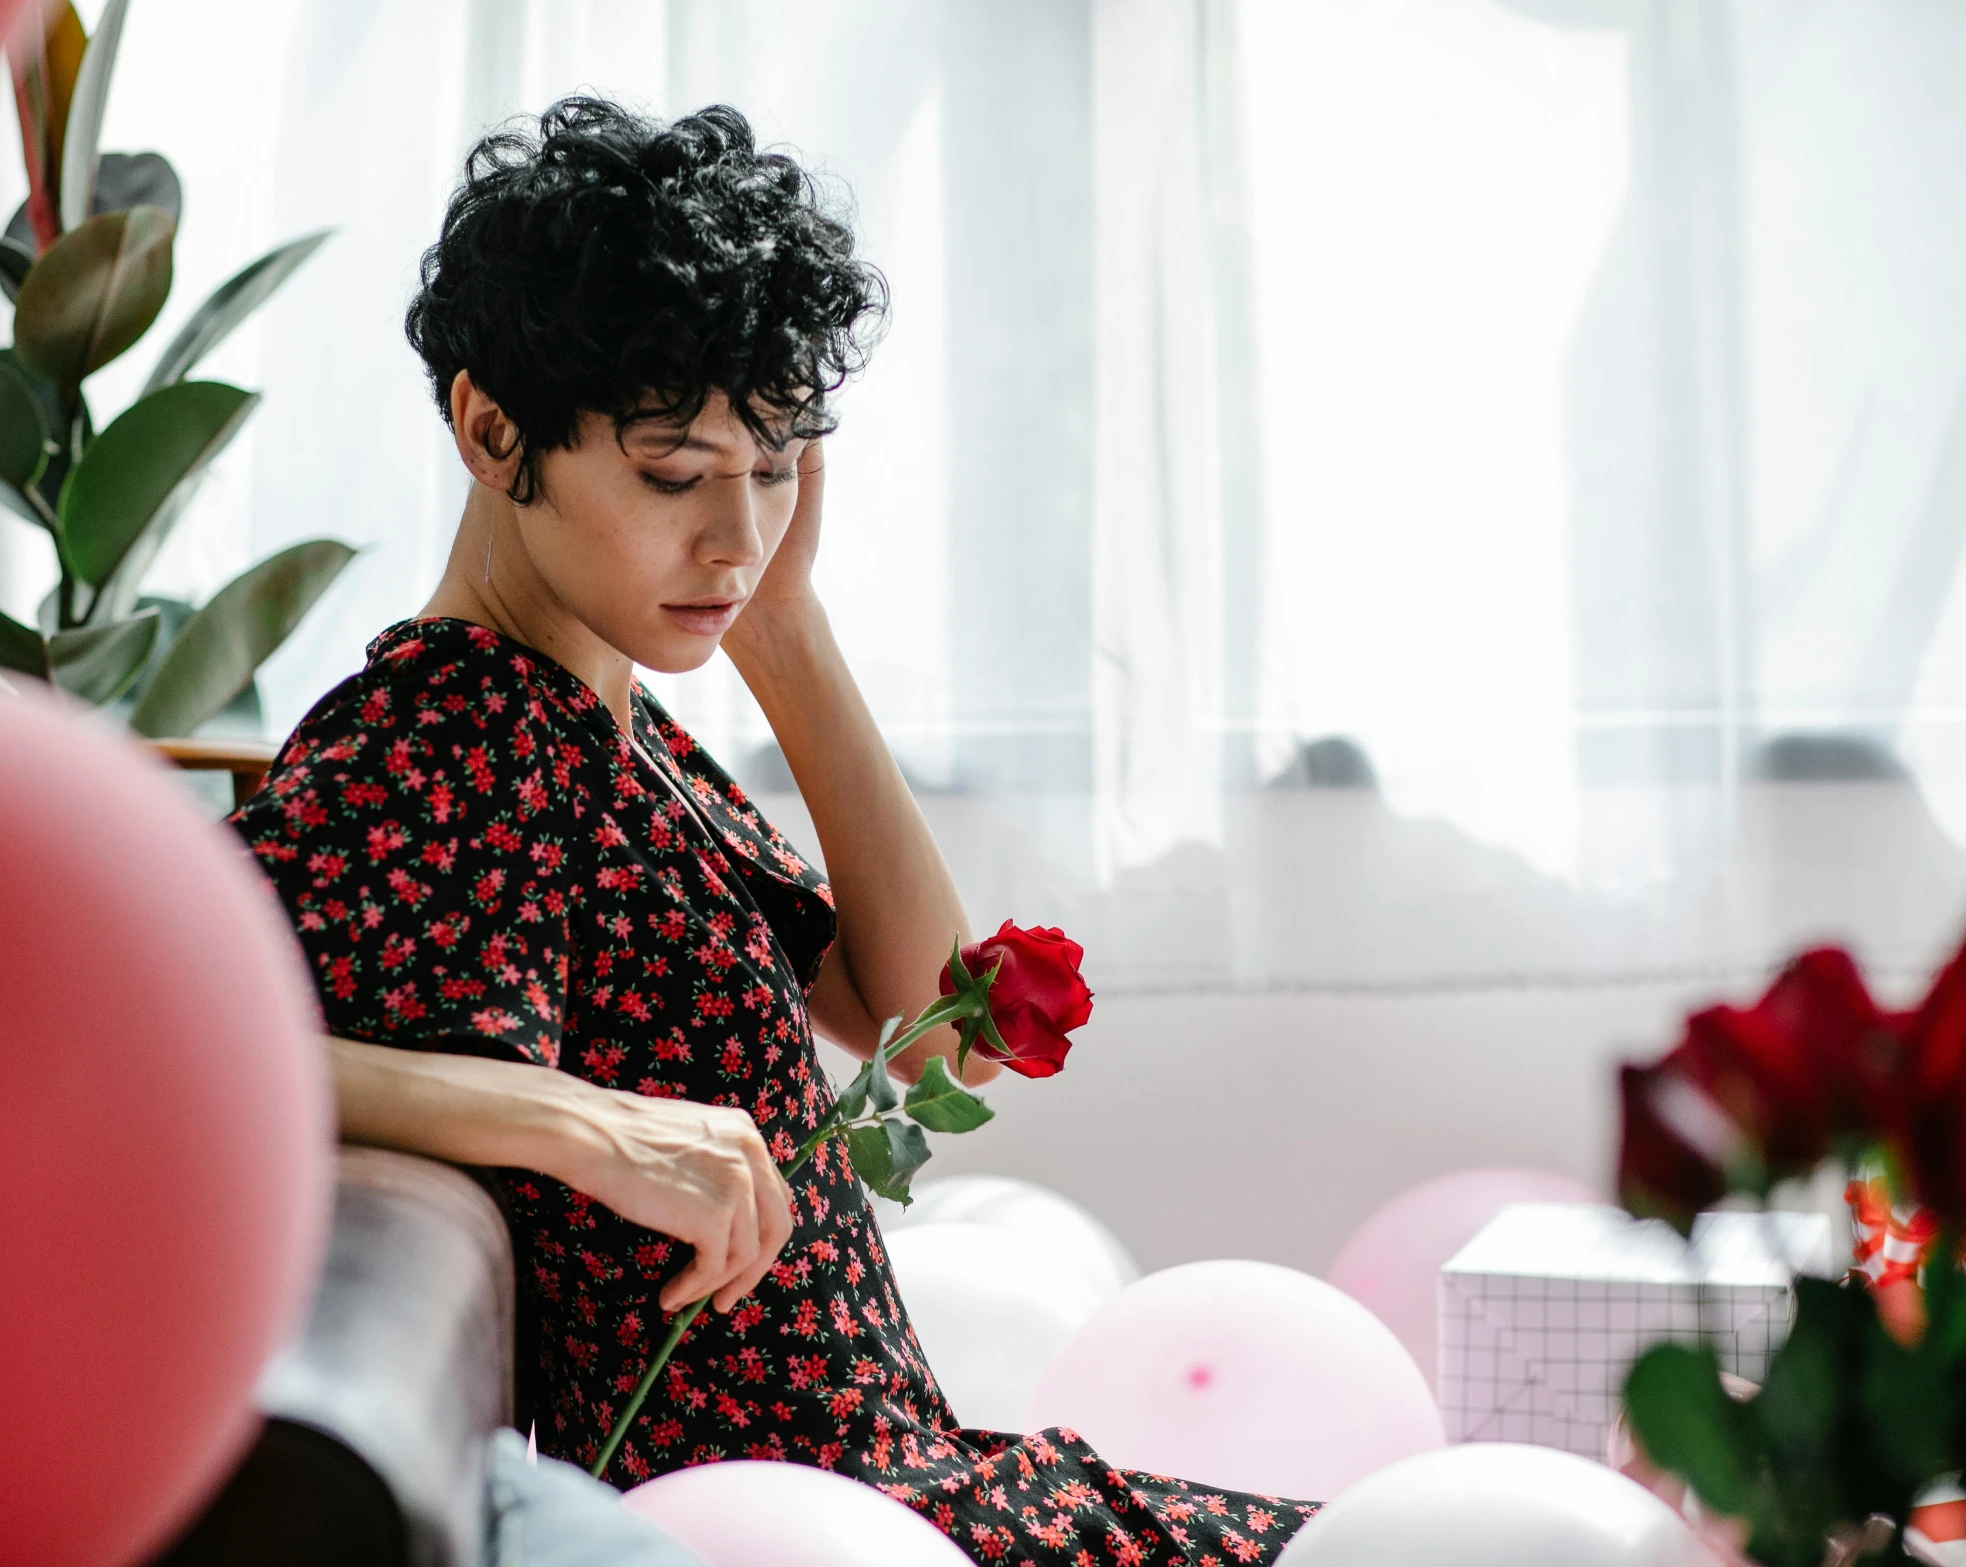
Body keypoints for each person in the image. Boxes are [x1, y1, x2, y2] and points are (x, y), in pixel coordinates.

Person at [232, 97, 1315, 1564]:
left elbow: (927, 1025)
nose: (733, 540)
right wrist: (581, 1121)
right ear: (493, 431)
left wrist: (787, 630)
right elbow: (180, 1043)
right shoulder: (451, 736)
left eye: (778, 464)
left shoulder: (617, 717)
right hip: (813, 1519)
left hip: (904, 1484)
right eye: (675, 473)